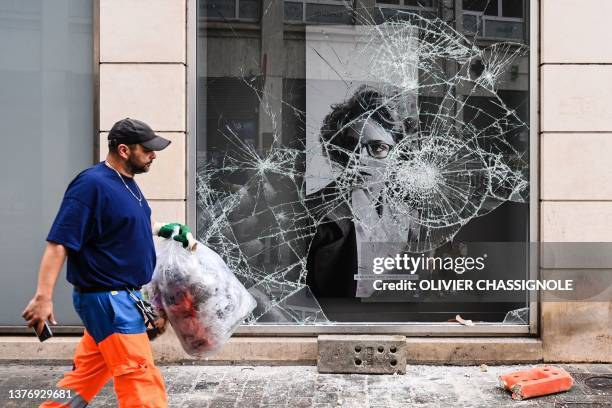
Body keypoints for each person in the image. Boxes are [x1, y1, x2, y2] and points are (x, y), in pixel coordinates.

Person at [21, 118, 188, 407]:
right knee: (140, 378)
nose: (153, 154)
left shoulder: (127, 184)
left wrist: (162, 229)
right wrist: (43, 297)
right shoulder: (91, 185)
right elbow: (60, 241)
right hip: (109, 299)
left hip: (121, 297)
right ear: (124, 150)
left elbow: (124, 224)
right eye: (147, 149)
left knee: (83, 378)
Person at [306, 86, 416, 298]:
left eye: (377, 148)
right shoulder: (315, 216)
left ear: (398, 153)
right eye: (351, 145)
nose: (360, 158)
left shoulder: (404, 212)